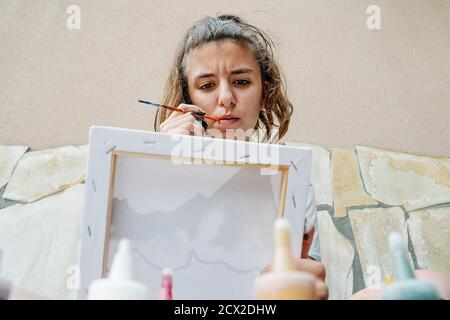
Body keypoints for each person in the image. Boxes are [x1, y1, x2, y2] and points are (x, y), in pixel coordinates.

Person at [154, 14, 327, 299]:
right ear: (188, 100)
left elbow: (307, 277)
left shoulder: (290, 179)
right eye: (207, 85)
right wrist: (159, 160)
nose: (226, 98)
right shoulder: (156, 166)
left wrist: (307, 282)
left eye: (242, 81)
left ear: (264, 94)